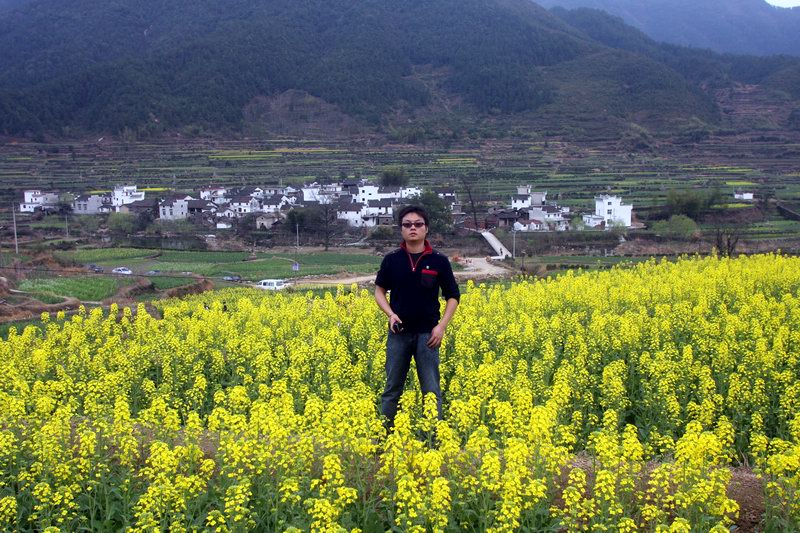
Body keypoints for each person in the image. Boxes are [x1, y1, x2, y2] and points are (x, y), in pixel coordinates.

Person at [375, 205, 460, 428]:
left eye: (418, 224)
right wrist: (390, 314)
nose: (413, 228)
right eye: (407, 224)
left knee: (431, 390)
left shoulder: (440, 261)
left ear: (426, 229)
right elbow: (379, 291)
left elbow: (453, 296)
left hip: (428, 335)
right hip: (399, 334)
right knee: (392, 389)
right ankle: (383, 439)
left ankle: (433, 440)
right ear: (401, 229)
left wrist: (441, 327)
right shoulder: (392, 260)